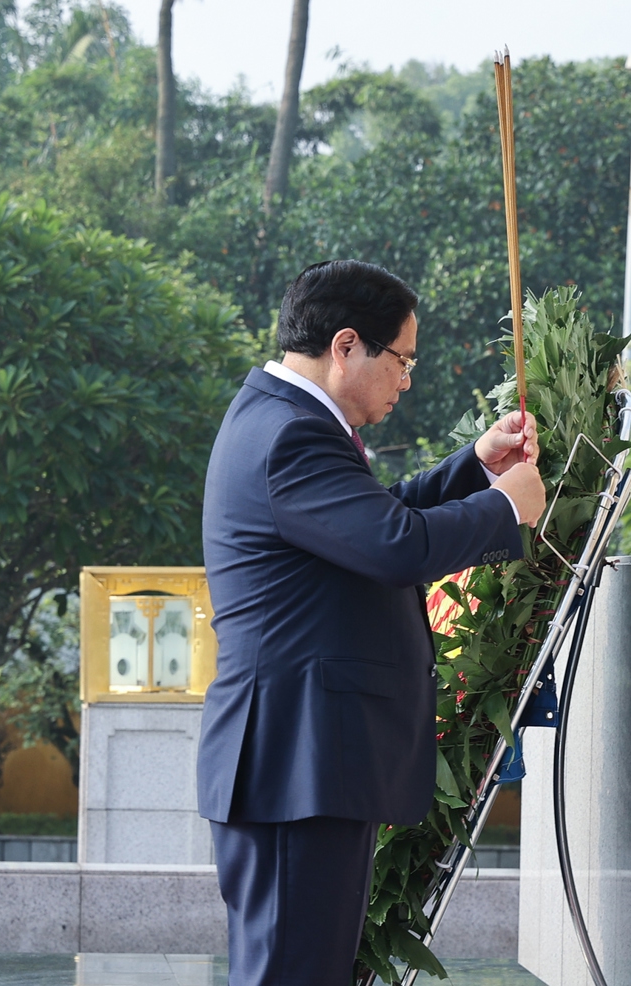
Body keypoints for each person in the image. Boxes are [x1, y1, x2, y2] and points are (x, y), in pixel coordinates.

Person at [196, 260, 545, 986]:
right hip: (296, 761)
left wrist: (477, 468)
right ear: (347, 345)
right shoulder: (291, 435)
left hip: (302, 762)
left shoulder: (283, 420)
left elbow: (373, 520)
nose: (406, 381)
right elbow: (394, 546)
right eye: (403, 360)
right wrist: (506, 505)